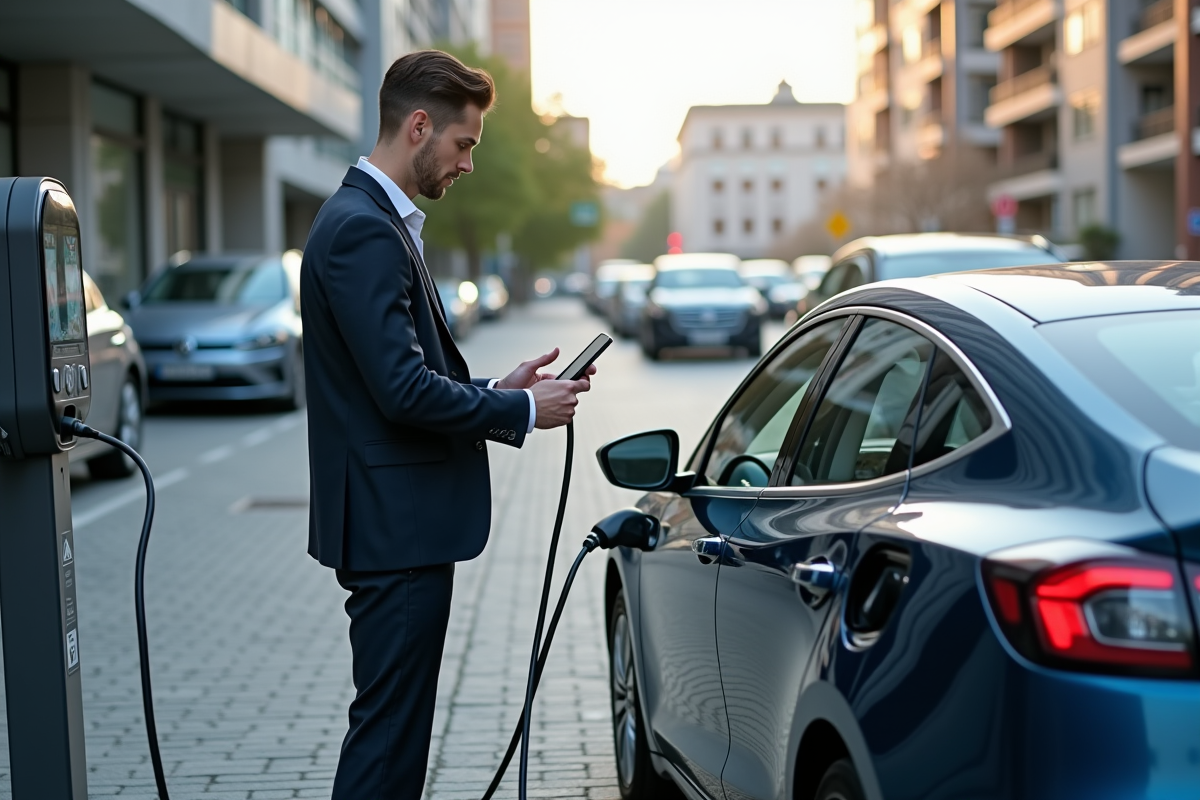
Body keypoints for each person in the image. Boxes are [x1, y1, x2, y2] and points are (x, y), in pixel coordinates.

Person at [299, 49, 594, 800]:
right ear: (420, 126)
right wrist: (522, 410)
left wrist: (497, 386)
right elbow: (400, 392)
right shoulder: (364, 229)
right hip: (393, 529)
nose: (466, 164)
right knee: (389, 740)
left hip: (396, 525)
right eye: (464, 145)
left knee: (395, 735)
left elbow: (397, 379)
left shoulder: (372, 220)